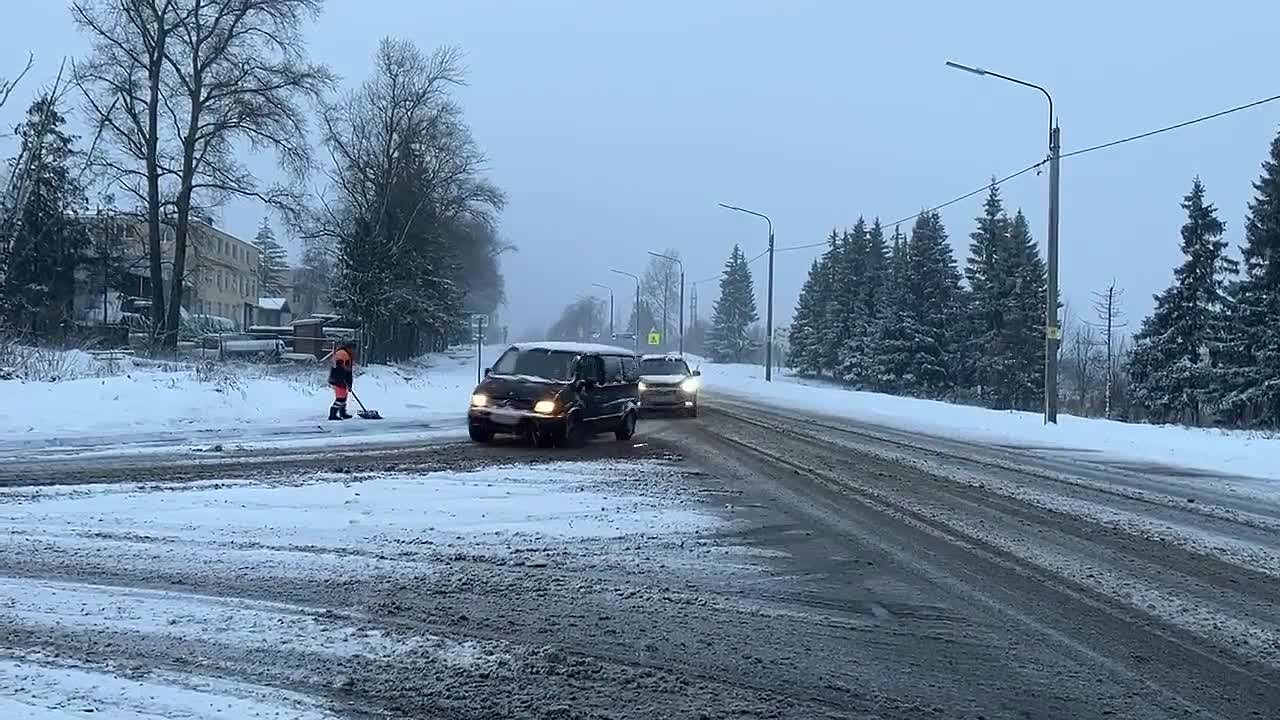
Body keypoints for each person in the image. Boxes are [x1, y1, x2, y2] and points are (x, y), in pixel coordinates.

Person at [328, 342, 355, 420]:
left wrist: (349, 384)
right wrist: (342, 378)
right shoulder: (342, 353)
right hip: (338, 379)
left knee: (344, 396)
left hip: (341, 379)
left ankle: (342, 413)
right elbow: (340, 368)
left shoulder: (347, 354)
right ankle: (332, 415)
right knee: (340, 397)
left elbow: (348, 371)